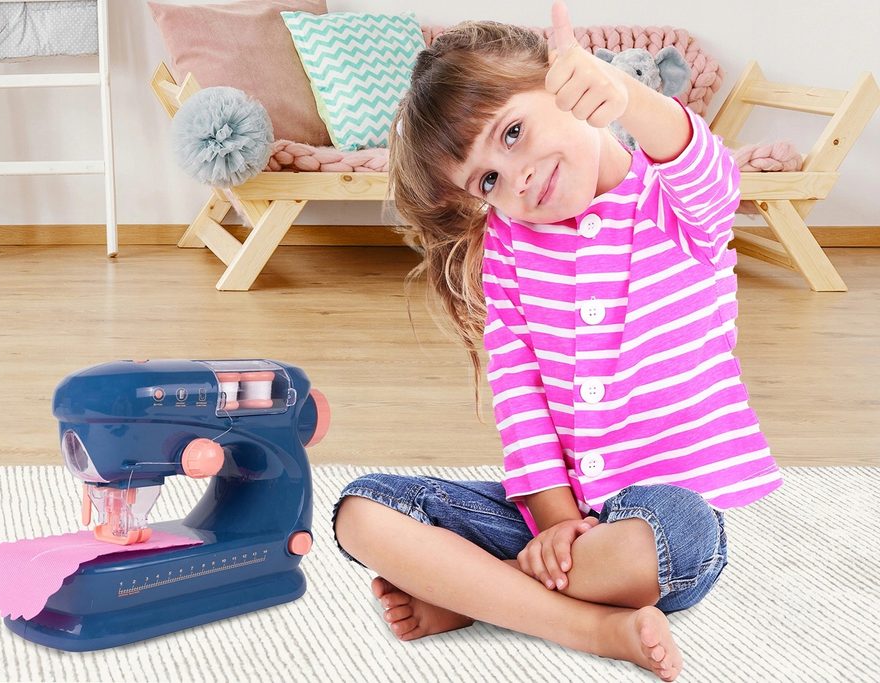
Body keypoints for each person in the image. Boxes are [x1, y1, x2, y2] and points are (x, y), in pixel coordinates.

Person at [332, 3, 783, 680]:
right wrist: (552, 525)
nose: (515, 177)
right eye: (487, 180)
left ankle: (481, 592)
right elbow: (520, 395)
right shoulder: (509, 248)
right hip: (555, 521)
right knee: (361, 513)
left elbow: (707, 169)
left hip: (654, 527)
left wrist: (625, 94)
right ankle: (590, 625)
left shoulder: (673, 203)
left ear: (565, 84)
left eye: (513, 133)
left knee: (676, 533)